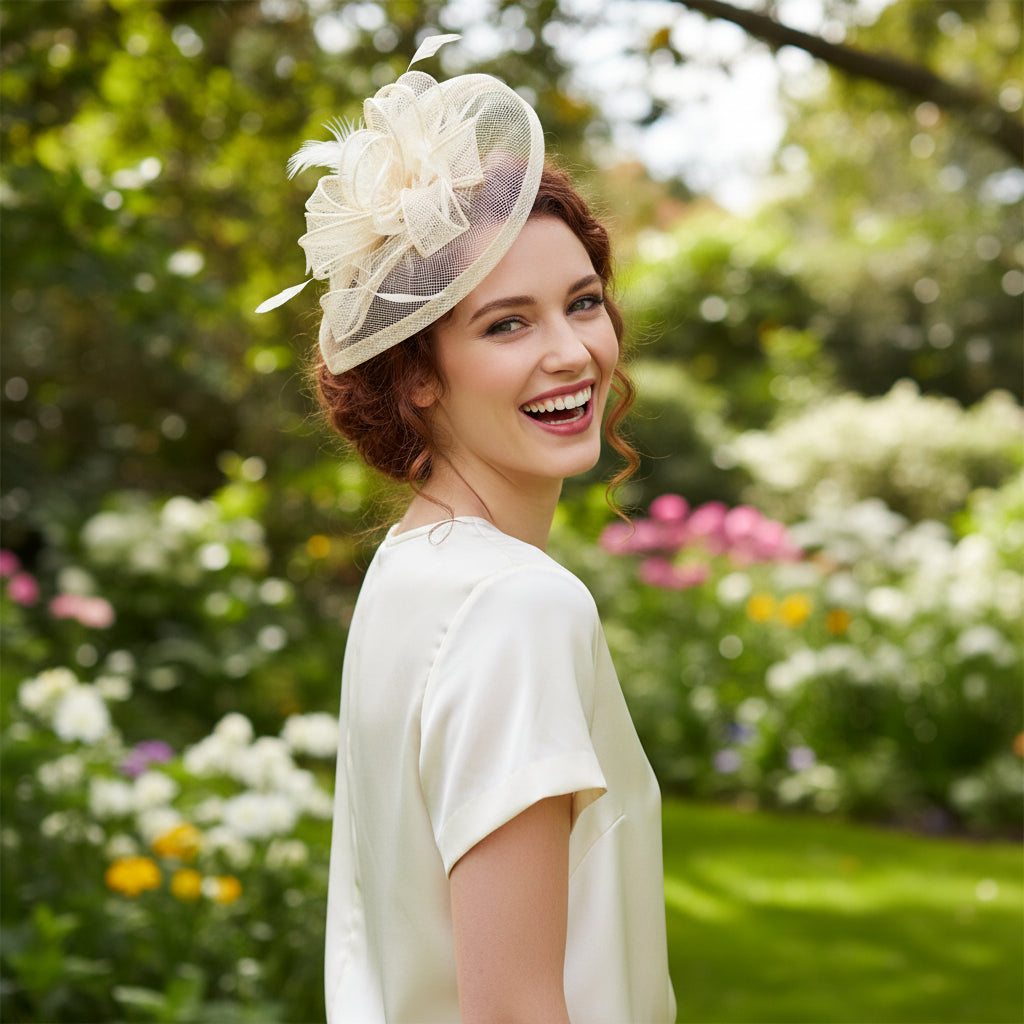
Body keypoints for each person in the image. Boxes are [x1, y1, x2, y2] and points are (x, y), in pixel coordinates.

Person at [259, 36, 676, 1024]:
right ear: (416, 373)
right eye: (505, 324)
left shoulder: (411, 566)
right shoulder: (516, 604)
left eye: (581, 303)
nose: (572, 353)